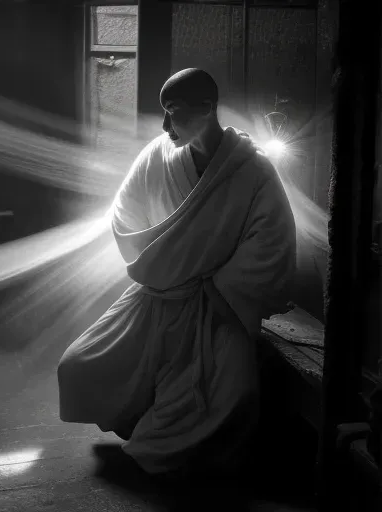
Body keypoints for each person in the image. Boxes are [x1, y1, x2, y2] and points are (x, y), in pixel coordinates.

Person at [57, 68, 296, 478]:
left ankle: (182, 451)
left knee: (233, 394)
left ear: (208, 109)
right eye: (164, 112)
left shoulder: (252, 170)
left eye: (175, 112)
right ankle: (140, 420)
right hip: (160, 294)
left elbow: (271, 238)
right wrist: (162, 260)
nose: (166, 125)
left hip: (219, 303)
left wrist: (221, 286)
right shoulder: (158, 154)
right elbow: (125, 213)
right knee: (78, 365)